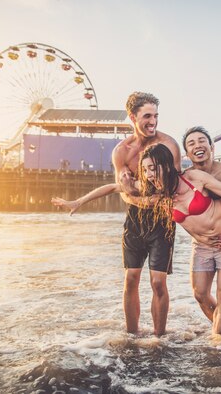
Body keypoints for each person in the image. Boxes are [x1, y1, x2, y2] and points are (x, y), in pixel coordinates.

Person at [55, 91, 181, 337]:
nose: (153, 121)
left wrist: (150, 197)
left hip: (162, 220)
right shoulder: (121, 152)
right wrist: (79, 201)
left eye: (156, 115)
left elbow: (175, 186)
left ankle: (159, 338)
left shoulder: (168, 145)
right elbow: (119, 188)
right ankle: (132, 335)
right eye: (147, 116)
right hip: (134, 219)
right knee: (131, 279)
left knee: (158, 282)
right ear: (133, 117)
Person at [182, 126, 221, 335]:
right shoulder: (186, 178)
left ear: (211, 146)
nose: (197, 145)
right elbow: (181, 213)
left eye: (201, 140)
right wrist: (199, 236)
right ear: (187, 154)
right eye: (191, 143)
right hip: (201, 244)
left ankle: (218, 338)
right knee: (200, 294)